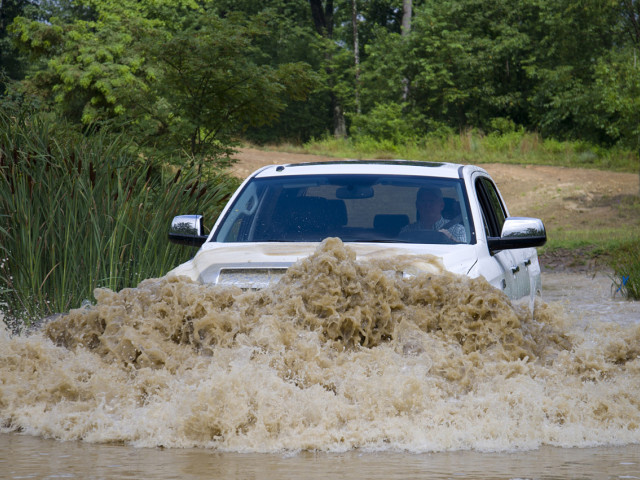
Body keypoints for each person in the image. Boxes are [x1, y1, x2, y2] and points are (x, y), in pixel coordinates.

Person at [400, 187, 467, 243]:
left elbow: (465, 253)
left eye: (432, 201)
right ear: (417, 205)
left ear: (442, 205)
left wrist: (451, 239)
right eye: (423, 201)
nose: (427, 205)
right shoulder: (407, 231)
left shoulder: (458, 230)